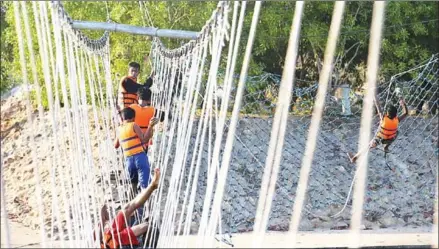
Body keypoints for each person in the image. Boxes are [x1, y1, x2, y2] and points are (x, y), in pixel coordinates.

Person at [95, 168, 161, 249]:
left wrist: (104, 219)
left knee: (127, 208)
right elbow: (97, 242)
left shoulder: (108, 227)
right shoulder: (102, 235)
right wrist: (102, 219)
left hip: (110, 235)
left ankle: (152, 186)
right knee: (146, 226)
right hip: (110, 242)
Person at [348, 98, 408, 163]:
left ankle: (354, 158)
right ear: (395, 115)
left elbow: (378, 107)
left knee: (367, 147)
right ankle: (386, 147)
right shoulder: (397, 120)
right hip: (390, 139)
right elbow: (406, 113)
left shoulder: (383, 118)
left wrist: (375, 96)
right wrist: (403, 104)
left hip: (380, 138)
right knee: (397, 132)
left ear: (387, 113)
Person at [114, 107, 158, 194]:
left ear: (122, 118)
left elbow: (116, 145)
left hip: (129, 160)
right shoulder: (133, 125)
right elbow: (144, 139)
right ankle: (145, 203)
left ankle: (133, 199)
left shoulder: (119, 129)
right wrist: (150, 126)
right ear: (134, 118)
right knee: (144, 185)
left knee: (133, 182)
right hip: (140, 157)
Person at [130, 87, 166, 154]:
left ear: (138, 98)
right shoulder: (153, 110)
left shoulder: (131, 108)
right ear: (149, 100)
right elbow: (164, 116)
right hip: (145, 143)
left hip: (131, 142)